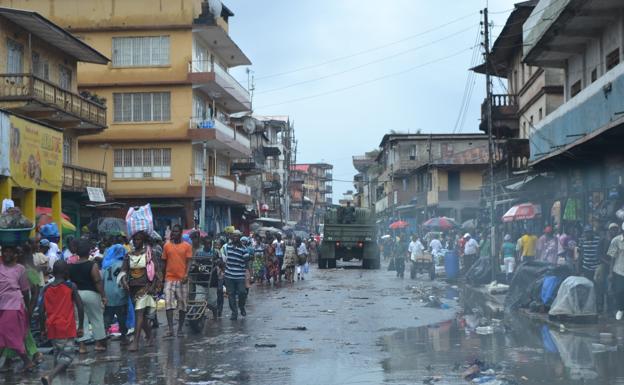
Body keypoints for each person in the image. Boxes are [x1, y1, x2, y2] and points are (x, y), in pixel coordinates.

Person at [39, 260, 84, 385]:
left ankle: (60, 382)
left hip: (52, 328)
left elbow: (41, 311)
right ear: (66, 272)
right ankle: (51, 376)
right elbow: (80, 307)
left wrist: (42, 329)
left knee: (58, 357)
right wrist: (80, 326)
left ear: (53, 272)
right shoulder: (71, 286)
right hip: (67, 327)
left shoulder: (46, 288)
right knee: (68, 356)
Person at [122, 231, 161, 351]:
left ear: (143, 241)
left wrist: (153, 286)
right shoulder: (129, 255)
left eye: (138, 239)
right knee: (142, 317)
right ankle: (149, 336)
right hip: (132, 288)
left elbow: (157, 272)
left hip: (145, 288)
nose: (136, 242)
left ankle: (135, 342)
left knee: (139, 314)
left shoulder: (149, 254)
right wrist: (124, 281)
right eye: (134, 239)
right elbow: (123, 271)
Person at [68, 239, 107, 354]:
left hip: (77, 295)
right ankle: (98, 344)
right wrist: (103, 295)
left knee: (80, 320)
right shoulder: (92, 265)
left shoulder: (71, 266)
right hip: (91, 294)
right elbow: (97, 281)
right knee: (96, 318)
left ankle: (82, 346)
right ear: (89, 251)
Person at [0, 245, 33, 372]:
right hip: (2, 305)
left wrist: (28, 309)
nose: (6, 254)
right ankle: (27, 361)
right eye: (4, 251)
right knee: (4, 334)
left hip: (14, 304)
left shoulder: (21, 269)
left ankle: (27, 361)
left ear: (15, 254)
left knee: (6, 333)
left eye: (10, 251)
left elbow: (25, 291)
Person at [161, 224, 193, 338]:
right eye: (172, 232)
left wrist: (186, 274)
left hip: (182, 279)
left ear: (180, 233)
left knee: (182, 304)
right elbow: (163, 262)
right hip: (169, 278)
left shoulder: (187, 246)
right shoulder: (166, 246)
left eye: (176, 232)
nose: (174, 234)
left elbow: (189, 261)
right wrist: (161, 278)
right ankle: (170, 329)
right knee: (168, 303)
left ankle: (180, 328)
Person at [102, 244, 129, 344]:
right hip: (120, 295)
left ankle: (103, 335)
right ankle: (123, 336)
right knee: (122, 317)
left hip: (108, 295)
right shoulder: (124, 264)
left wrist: (103, 294)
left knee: (107, 316)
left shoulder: (106, 265)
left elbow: (102, 280)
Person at [224, 231, 249, 320]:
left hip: (239, 275)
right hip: (229, 275)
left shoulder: (244, 248)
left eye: (237, 236)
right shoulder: (227, 247)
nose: (235, 237)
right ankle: (234, 312)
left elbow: (247, 261)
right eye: (233, 236)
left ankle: (241, 306)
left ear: (239, 237)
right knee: (231, 294)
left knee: (242, 292)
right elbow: (223, 258)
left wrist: (248, 274)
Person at [596, 223, 619, 314]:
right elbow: (598, 255)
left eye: (615, 229)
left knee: (612, 288)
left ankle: (610, 309)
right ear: (609, 230)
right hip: (604, 266)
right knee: (601, 287)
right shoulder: (604, 240)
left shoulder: (618, 240)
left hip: (615, 267)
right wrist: (607, 262)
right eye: (612, 229)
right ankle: (600, 306)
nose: (614, 231)